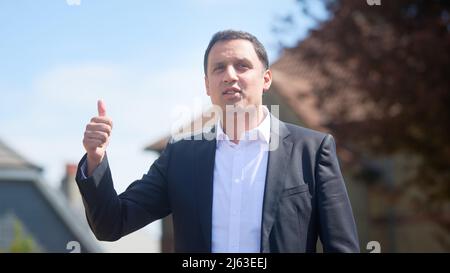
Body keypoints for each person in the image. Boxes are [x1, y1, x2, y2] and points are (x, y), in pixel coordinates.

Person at [76, 30, 360, 253]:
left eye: (242, 66)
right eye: (219, 68)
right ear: (207, 85)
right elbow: (112, 224)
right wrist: (95, 160)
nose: (230, 76)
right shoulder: (181, 157)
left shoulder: (311, 150)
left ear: (266, 79)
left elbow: (342, 247)